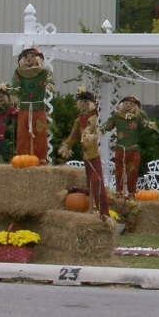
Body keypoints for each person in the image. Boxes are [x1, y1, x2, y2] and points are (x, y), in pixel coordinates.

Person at [59, 87, 109, 220]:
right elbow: (74, 135)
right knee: (90, 183)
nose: (83, 106)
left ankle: (103, 212)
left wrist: (87, 135)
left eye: (86, 103)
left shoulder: (93, 118)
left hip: (93, 155)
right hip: (86, 155)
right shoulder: (79, 119)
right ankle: (91, 208)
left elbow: (91, 130)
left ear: (91, 104)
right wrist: (67, 145)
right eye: (81, 103)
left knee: (96, 182)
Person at [101, 95, 155, 197]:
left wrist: (150, 125)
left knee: (133, 172)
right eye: (126, 103)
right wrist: (99, 130)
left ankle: (131, 193)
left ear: (135, 106)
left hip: (133, 149)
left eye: (131, 104)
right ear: (122, 104)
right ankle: (119, 192)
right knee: (119, 171)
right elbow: (107, 126)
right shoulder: (117, 116)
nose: (128, 105)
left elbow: (146, 127)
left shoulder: (139, 116)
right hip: (120, 148)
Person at [11, 47, 55, 162]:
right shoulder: (19, 72)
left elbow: (50, 79)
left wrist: (50, 84)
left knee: (40, 132)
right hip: (24, 108)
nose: (29, 59)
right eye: (26, 57)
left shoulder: (43, 72)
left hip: (38, 107)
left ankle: (41, 157)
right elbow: (15, 85)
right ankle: (22, 156)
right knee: (22, 133)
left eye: (32, 57)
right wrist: (14, 94)